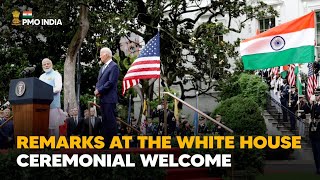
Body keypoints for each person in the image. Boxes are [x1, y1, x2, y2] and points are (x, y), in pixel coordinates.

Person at [94, 47, 119, 148]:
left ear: (106, 54)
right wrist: (97, 90)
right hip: (103, 98)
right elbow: (99, 82)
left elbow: (111, 82)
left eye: (101, 54)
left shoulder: (114, 66)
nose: (99, 56)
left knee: (110, 121)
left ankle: (113, 144)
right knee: (104, 121)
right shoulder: (102, 68)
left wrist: (100, 90)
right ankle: (106, 143)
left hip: (109, 99)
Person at [39, 58, 64, 139]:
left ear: (51, 64)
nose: (46, 65)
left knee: (54, 127)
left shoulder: (56, 74)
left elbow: (58, 88)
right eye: (44, 64)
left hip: (53, 105)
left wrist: (45, 91)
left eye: (48, 63)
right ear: (42, 66)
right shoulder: (41, 76)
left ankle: (56, 146)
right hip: (42, 106)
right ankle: (47, 146)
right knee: (45, 126)